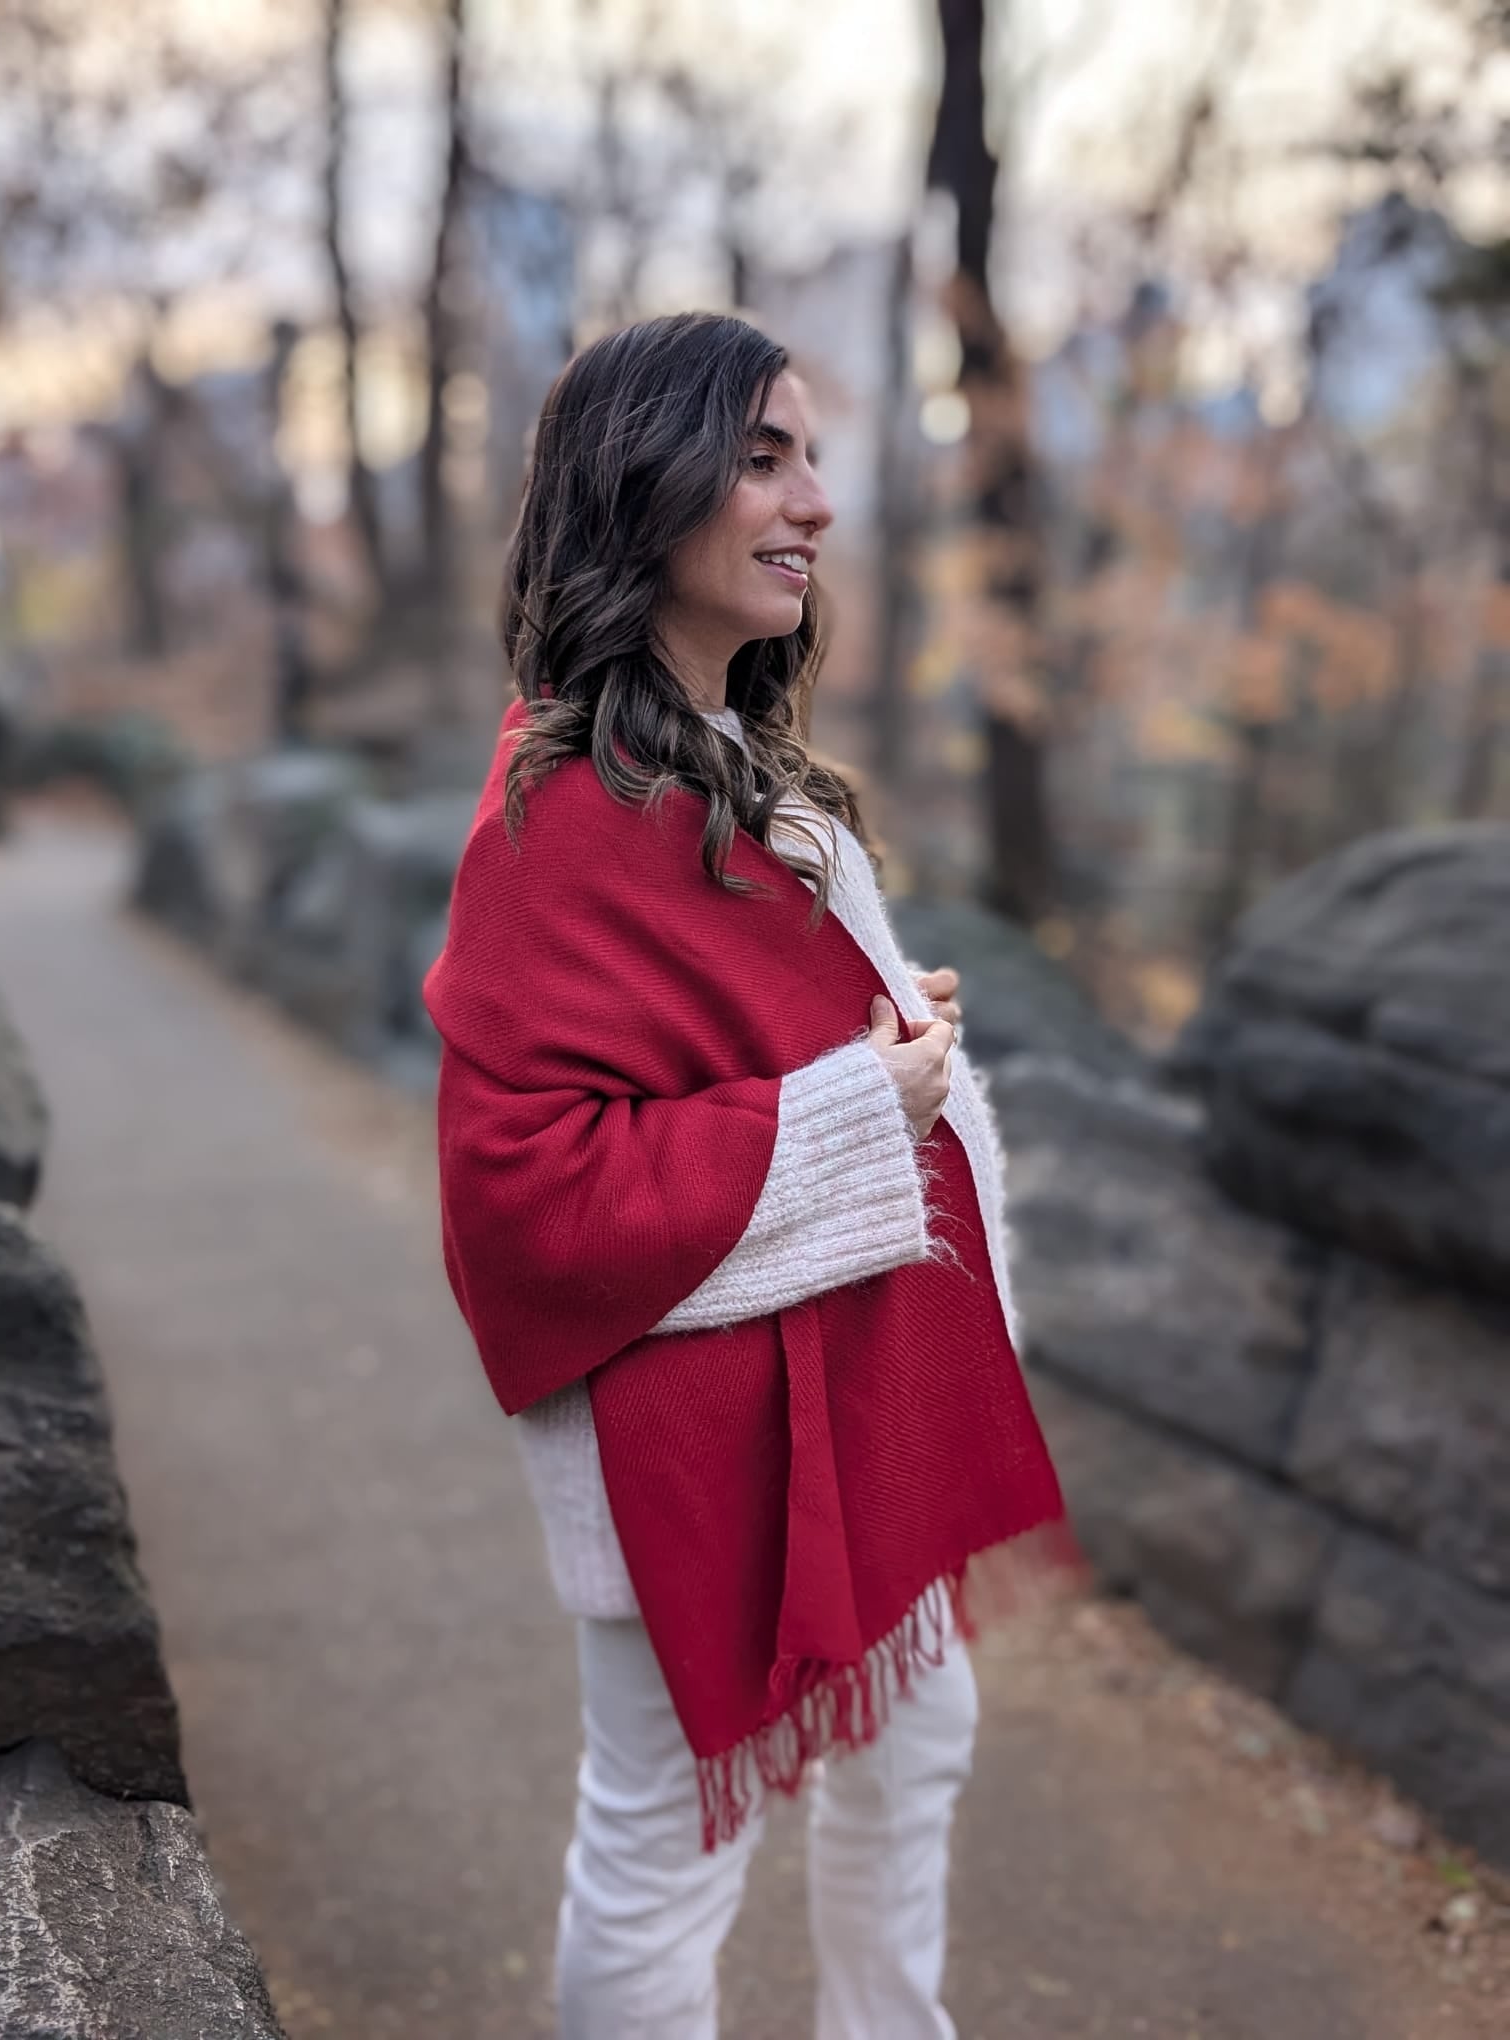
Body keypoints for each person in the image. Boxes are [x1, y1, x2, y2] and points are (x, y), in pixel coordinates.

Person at [423, 311, 1074, 2040]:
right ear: (648, 488)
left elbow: (742, 1031)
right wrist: (859, 1101)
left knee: (916, 1735)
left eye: (813, 455)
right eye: (764, 456)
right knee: (660, 1839)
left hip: (844, 1381)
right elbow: (524, 1191)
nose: (816, 502)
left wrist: (882, 1038)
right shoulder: (556, 817)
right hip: (689, 1427)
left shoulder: (738, 763)